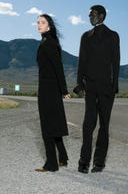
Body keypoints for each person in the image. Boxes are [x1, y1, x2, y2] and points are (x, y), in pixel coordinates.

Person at [74, 5, 120, 173]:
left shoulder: (113, 36)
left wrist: (114, 86)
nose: (90, 17)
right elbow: (82, 62)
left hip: (107, 88)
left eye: (92, 14)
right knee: (88, 124)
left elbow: (116, 62)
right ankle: (83, 162)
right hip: (90, 87)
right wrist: (79, 84)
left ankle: (99, 163)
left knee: (104, 126)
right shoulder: (85, 37)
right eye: (89, 15)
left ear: (101, 16)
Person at [35, 14, 71, 172]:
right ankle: (62, 157)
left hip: (48, 89)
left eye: (42, 22)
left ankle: (51, 164)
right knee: (54, 123)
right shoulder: (47, 41)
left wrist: (64, 90)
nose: (39, 25)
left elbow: (58, 68)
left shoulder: (49, 43)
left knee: (48, 126)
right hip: (49, 87)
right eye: (37, 22)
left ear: (49, 25)